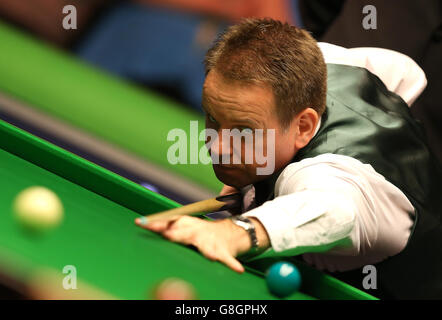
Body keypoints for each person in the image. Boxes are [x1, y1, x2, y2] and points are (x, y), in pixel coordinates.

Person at [135, 18, 442, 299]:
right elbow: (402, 71)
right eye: (213, 119)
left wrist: (238, 231)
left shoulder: (333, 179)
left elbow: (334, 211)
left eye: (244, 130)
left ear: (304, 126)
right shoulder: (321, 65)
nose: (218, 148)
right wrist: (256, 178)